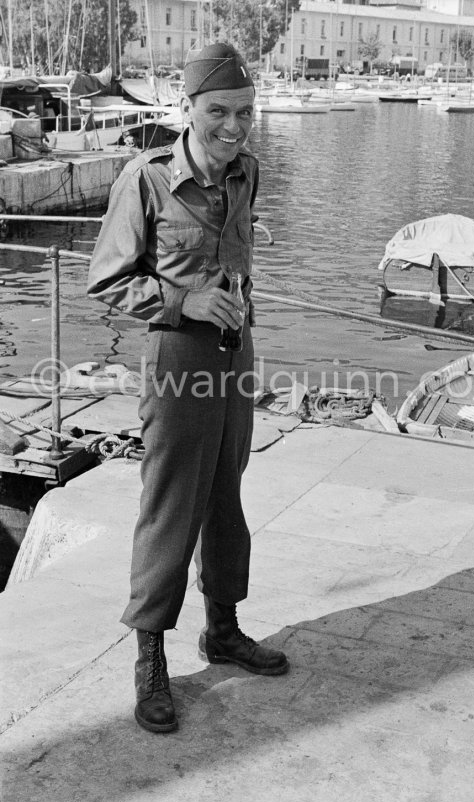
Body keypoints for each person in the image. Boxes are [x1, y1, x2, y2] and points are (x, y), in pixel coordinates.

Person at [87, 42, 289, 734]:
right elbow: (107, 280)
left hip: (238, 358)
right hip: (178, 360)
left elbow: (237, 253)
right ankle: (149, 657)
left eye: (245, 113)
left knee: (227, 496)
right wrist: (186, 301)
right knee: (172, 504)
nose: (234, 127)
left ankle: (223, 628)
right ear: (188, 109)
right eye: (219, 113)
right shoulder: (145, 179)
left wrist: (233, 297)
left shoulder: (248, 172)